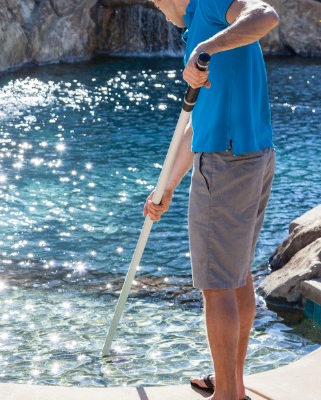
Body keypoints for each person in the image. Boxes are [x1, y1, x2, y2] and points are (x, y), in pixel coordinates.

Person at [142, 0, 280, 400]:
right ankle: (231, 384)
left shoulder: (212, 5)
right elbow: (197, 122)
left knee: (218, 284)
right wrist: (166, 187)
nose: (156, 9)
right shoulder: (198, 24)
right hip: (249, 155)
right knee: (236, 276)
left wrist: (206, 49)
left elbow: (266, 14)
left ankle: (227, 397)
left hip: (227, 161)